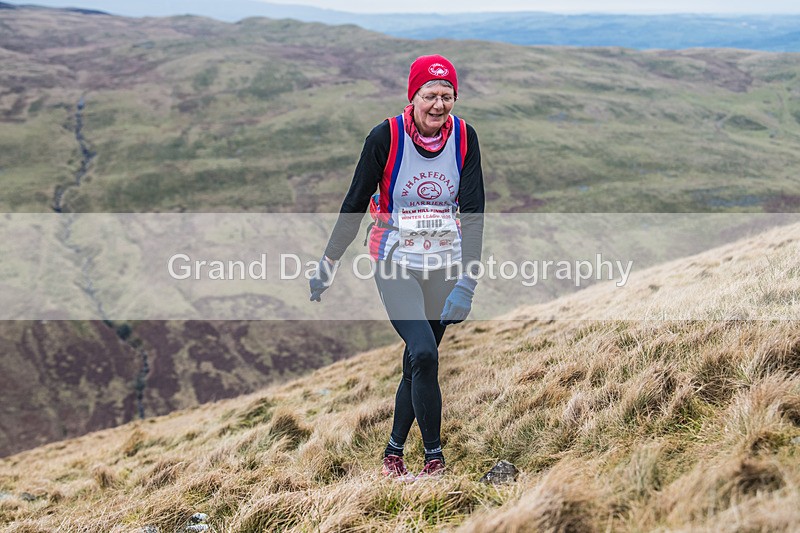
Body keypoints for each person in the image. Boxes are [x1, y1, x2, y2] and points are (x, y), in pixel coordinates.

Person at [310, 54, 485, 481]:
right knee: (423, 352)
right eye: (430, 95)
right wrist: (328, 262)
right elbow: (354, 203)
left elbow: (474, 212)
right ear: (413, 96)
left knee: (418, 362)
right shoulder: (385, 137)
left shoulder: (465, 138)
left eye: (447, 95)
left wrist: (467, 282)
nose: (439, 105)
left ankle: (393, 451)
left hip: (444, 262)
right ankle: (435, 459)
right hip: (394, 260)